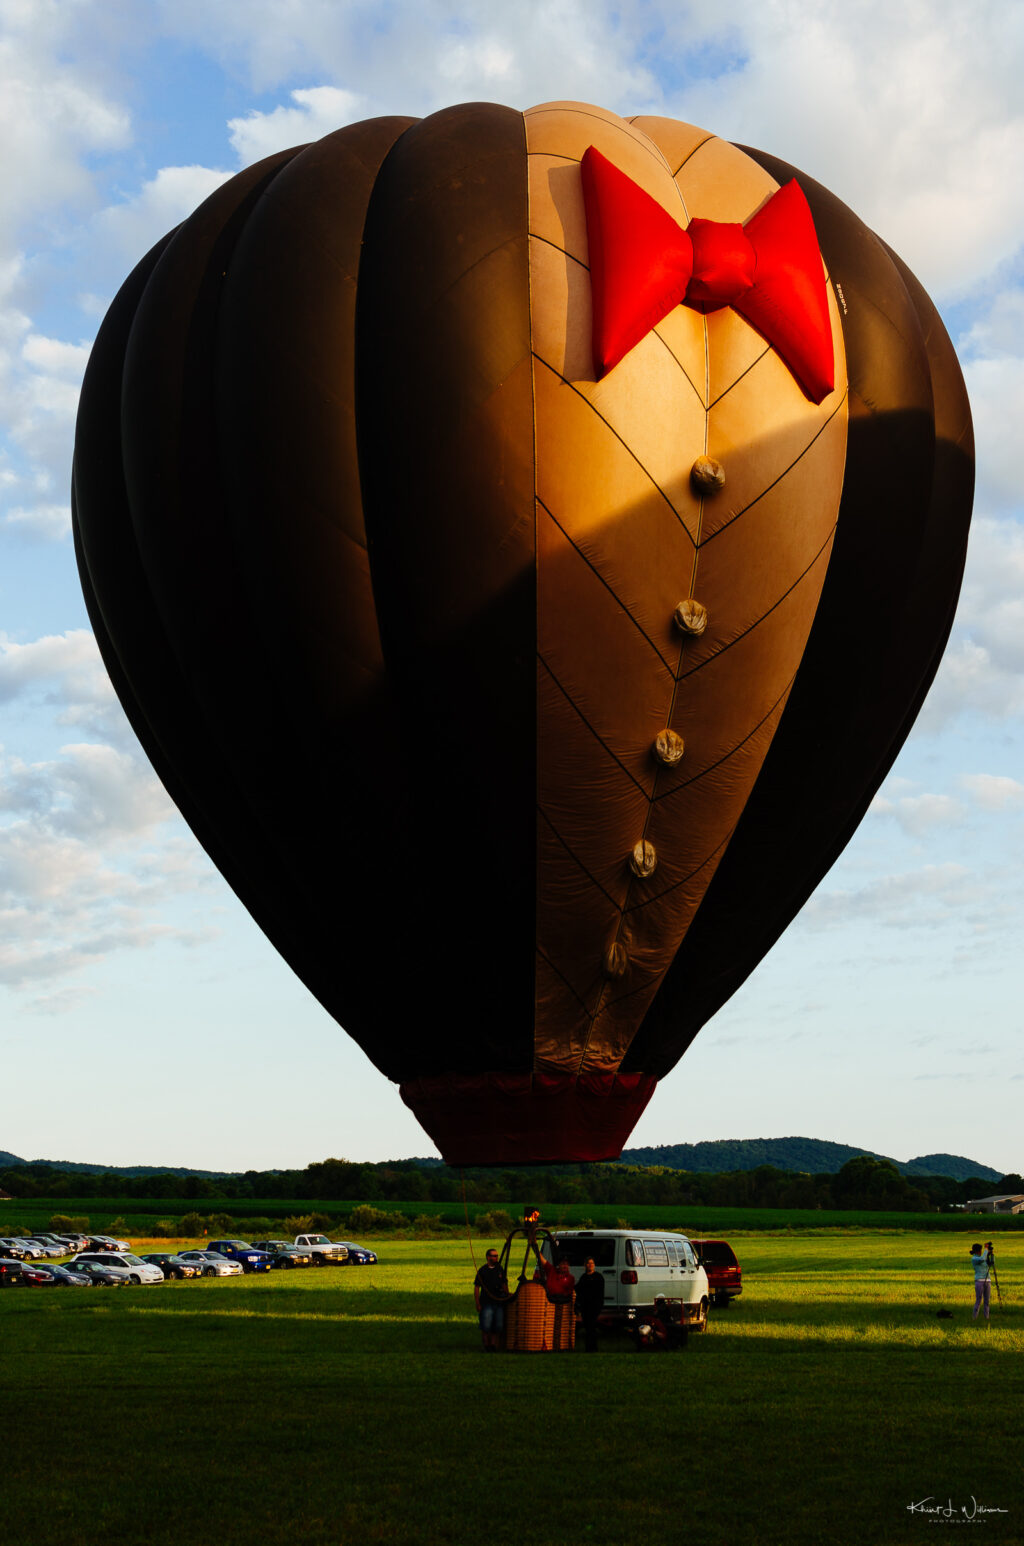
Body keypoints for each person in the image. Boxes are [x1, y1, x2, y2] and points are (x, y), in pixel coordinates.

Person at [474, 1247, 508, 1351]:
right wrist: (478, 1303)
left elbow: (504, 1284)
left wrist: (507, 1294)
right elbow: (476, 1288)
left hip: (498, 1302)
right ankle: (486, 1345)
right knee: (486, 1325)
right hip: (486, 1302)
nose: (495, 1258)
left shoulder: (500, 1269)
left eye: (496, 1256)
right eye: (493, 1256)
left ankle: (493, 1345)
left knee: (497, 1325)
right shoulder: (482, 1270)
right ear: (488, 1257)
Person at [574, 1255, 605, 1352]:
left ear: (594, 1265)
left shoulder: (599, 1277)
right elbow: (577, 1289)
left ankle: (592, 1348)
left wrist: (598, 1305)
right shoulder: (583, 1278)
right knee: (587, 1327)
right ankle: (589, 1348)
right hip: (585, 1306)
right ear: (585, 1265)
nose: (590, 1265)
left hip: (594, 1306)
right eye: (588, 1263)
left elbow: (599, 1293)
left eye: (592, 1263)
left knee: (591, 1326)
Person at [970, 1242, 993, 1324]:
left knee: (987, 1301)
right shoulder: (974, 1259)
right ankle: (974, 1317)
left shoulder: (982, 1256)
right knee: (978, 1300)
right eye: (980, 1250)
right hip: (979, 1281)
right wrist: (986, 1249)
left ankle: (986, 1317)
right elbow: (982, 1259)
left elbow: (991, 1264)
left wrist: (990, 1254)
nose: (981, 1251)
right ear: (977, 1251)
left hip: (988, 1280)